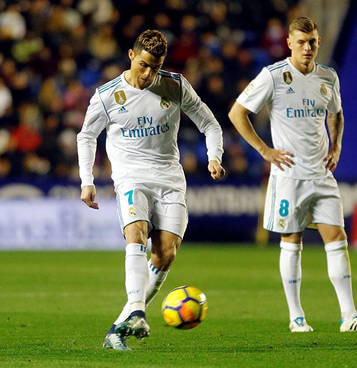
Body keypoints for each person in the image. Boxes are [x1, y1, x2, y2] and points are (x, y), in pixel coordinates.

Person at [228, 17, 357, 333]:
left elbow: (336, 113)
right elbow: (237, 112)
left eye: (311, 42)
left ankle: (349, 316)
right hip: (288, 176)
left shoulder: (328, 77)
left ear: (318, 42)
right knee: (291, 241)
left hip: (322, 175)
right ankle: (297, 317)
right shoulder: (273, 76)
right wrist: (264, 151)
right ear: (289, 43)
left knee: (337, 239)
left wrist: (336, 146)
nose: (307, 48)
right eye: (300, 42)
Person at [77, 29, 225, 351]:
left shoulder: (175, 85)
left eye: (155, 67)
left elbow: (210, 124)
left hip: (169, 178)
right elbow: (87, 135)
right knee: (137, 234)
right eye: (143, 65)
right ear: (131, 56)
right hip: (130, 177)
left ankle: (120, 325)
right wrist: (87, 179)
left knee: (165, 253)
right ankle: (139, 311)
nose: (148, 74)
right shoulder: (107, 96)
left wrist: (214, 156)